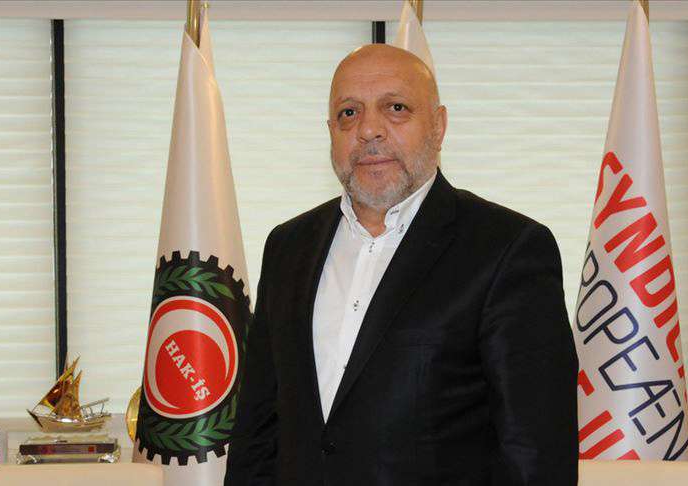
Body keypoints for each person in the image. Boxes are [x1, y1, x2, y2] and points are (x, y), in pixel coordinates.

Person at [225, 44, 578, 486]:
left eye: (396, 108)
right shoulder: (288, 246)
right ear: (331, 131)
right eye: (349, 113)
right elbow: (257, 434)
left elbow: (536, 457)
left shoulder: (508, 249)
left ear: (439, 126)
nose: (369, 129)